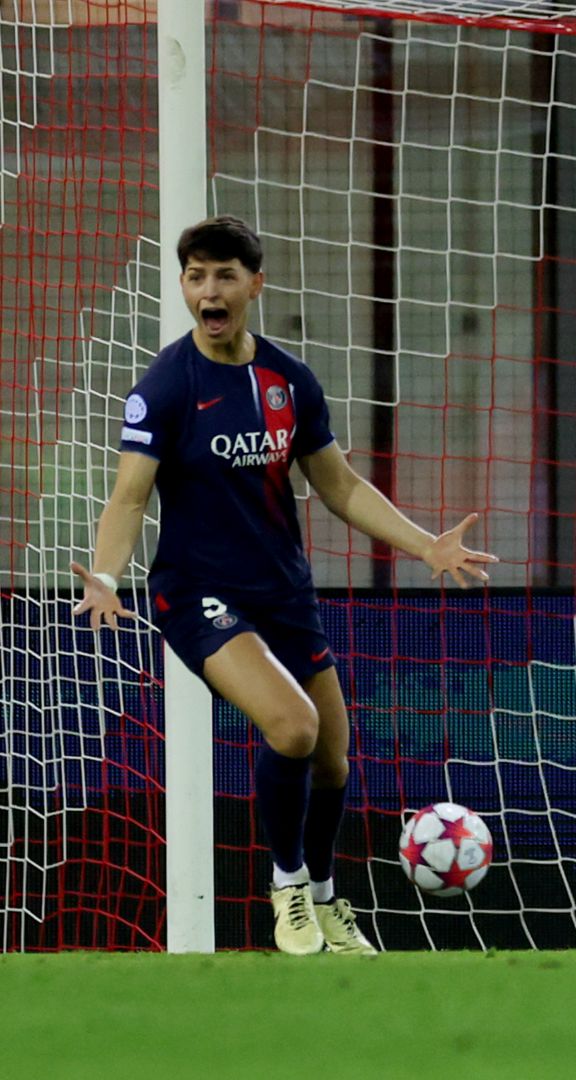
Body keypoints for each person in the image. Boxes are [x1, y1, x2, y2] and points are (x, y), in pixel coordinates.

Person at [71, 216, 498, 955]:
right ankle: (288, 889)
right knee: (293, 728)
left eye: (225, 275)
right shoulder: (165, 388)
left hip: (282, 590)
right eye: (196, 275)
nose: (210, 289)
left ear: (253, 286)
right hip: (197, 591)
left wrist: (426, 544)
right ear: (182, 287)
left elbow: (338, 486)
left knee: (333, 755)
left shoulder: (287, 380)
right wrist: (107, 576)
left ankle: (328, 900)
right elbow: (129, 498)